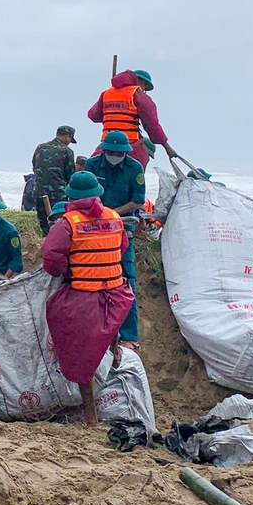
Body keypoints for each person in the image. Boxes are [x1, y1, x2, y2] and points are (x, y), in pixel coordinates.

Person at [41, 172, 134, 427]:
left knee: (81, 354)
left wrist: (70, 268)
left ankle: (90, 417)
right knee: (107, 335)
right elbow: (121, 247)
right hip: (117, 294)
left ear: (71, 196)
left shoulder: (67, 223)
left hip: (84, 296)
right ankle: (114, 348)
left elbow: (51, 260)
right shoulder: (114, 217)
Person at [83, 130, 145, 350]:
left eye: (118, 153)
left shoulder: (134, 169)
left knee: (126, 281)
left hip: (122, 231)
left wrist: (113, 214)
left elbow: (138, 201)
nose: (114, 155)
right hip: (94, 230)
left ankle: (129, 336)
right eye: (110, 151)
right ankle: (97, 332)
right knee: (92, 279)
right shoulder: (92, 165)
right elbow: (85, 196)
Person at [87, 69, 178, 168]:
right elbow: (152, 125)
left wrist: (112, 113)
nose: (144, 90)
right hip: (130, 143)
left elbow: (93, 115)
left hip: (107, 142)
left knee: (92, 166)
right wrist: (167, 147)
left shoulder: (106, 93)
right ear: (141, 82)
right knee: (137, 166)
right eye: (145, 87)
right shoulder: (138, 94)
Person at [31, 126, 78, 235]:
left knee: (44, 226)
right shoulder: (67, 151)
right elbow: (70, 175)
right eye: (70, 139)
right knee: (59, 226)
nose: (70, 142)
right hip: (58, 195)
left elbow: (35, 167)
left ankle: (45, 245)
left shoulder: (40, 147)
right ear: (67, 137)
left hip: (39, 192)